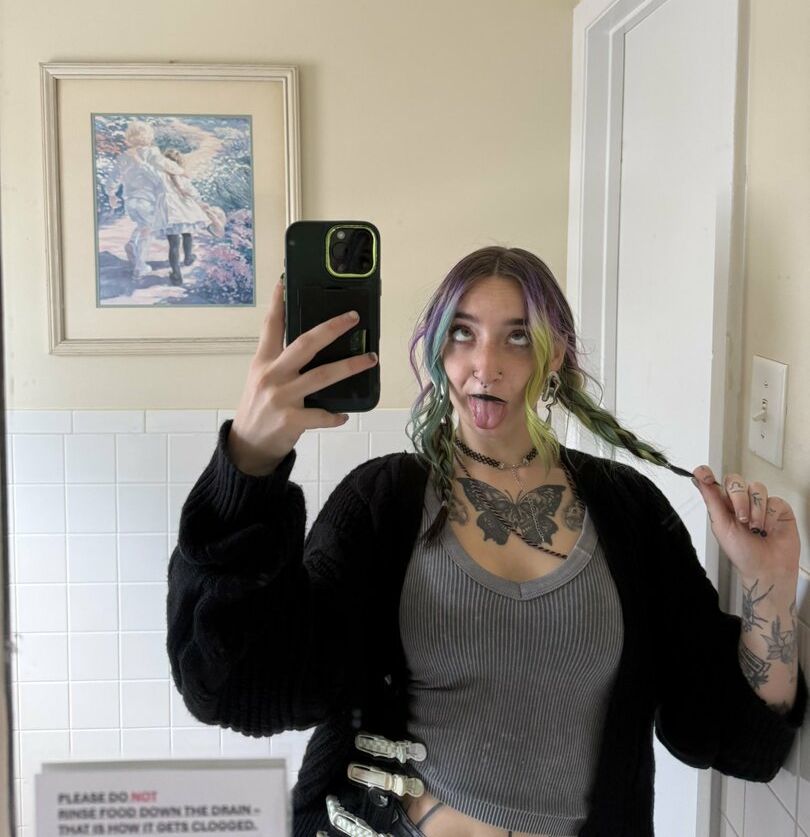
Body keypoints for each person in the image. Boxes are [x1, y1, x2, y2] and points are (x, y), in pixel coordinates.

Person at [167, 246, 805, 837]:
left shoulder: (630, 511)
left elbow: (733, 740)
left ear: (555, 354)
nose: (486, 365)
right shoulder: (381, 501)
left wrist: (768, 587)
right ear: (438, 350)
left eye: (518, 336)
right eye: (463, 333)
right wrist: (249, 464)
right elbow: (236, 687)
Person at [105, 121, 178, 281]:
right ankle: (140, 267)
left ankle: (132, 243)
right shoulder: (154, 155)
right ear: (149, 136)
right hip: (147, 200)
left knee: (142, 224)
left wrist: (111, 194)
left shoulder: (124, 156)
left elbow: (114, 177)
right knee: (148, 231)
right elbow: (159, 178)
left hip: (130, 201)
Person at [156, 148, 217, 285]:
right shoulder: (181, 175)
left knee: (173, 243)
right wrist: (197, 199)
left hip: (169, 210)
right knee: (187, 233)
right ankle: (188, 258)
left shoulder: (160, 175)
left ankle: (176, 275)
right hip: (184, 208)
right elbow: (193, 192)